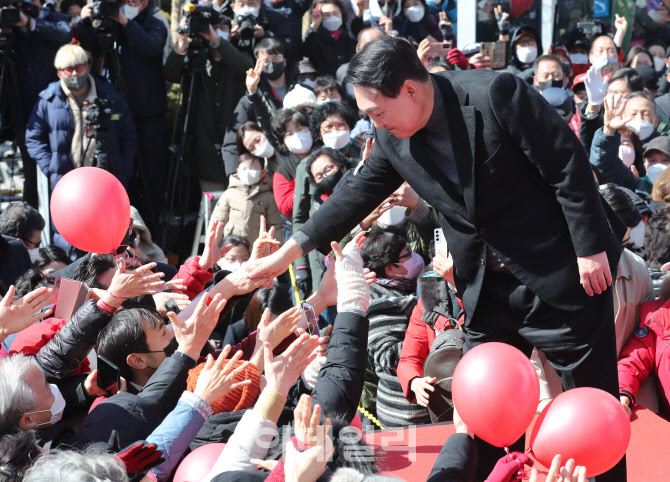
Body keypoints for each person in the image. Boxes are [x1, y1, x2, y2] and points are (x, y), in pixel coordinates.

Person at [249, 35, 627, 481]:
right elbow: (352, 197)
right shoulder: (392, 139)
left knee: (591, 410)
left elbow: (568, 165)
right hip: (486, 288)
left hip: (561, 276)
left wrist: (589, 249)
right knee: (483, 416)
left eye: (377, 111)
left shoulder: (496, 93)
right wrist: (287, 255)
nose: (373, 124)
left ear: (410, 89)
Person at [25, 44, 136, 253]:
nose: (75, 73)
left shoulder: (109, 95)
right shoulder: (47, 100)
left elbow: (128, 134)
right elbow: (33, 138)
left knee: (107, 241)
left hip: (105, 184)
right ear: (59, 72)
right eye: (68, 69)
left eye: (79, 67)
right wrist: (51, 166)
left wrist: (122, 167)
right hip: (67, 187)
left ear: (88, 66)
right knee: (69, 241)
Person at [78, 0, 168, 227]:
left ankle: (151, 230)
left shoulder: (155, 20)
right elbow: (87, 47)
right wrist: (85, 21)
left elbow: (151, 47)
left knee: (151, 176)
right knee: (118, 173)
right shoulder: (105, 20)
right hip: (115, 113)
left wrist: (124, 21)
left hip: (148, 114)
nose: (131, 3)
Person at [164, 17, 254, 192]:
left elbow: (246, 66)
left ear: (231, 32)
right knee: (213, 205)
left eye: (221, 28)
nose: (214, 31)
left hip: (237, 146)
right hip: (205, 147)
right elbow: (170, 74)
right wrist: (182, 42)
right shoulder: (197, 60)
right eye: (211, 28)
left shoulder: (239, 56)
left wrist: (217, 41)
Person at [221, 38, 289, 176]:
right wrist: (236, 177)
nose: (271, 64)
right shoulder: (250, 99)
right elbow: (231, 143)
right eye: (266, 61)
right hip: (269, 172)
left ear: (284, 61)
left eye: (275, 58)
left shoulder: (299, 92)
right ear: (259, 64)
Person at [209, 154, 282, 247]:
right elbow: (218, 220)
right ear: (238, 171)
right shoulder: (229, 193)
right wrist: (212, 247)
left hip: (256, 248)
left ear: (262, 173)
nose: (248, 172)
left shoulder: (268, 197)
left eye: (253, 169)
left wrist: (277, 249)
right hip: (231, 248)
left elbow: (275, 225)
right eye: (244, 169)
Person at [303, 0, 358, 77]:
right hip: (324, 81)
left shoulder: (348, 33)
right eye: (327, 15)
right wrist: (314, 25)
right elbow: (306, 51)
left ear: (342, 13)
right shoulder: (315, 34)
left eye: (335, 13)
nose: (332, 17)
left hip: (347, 79)